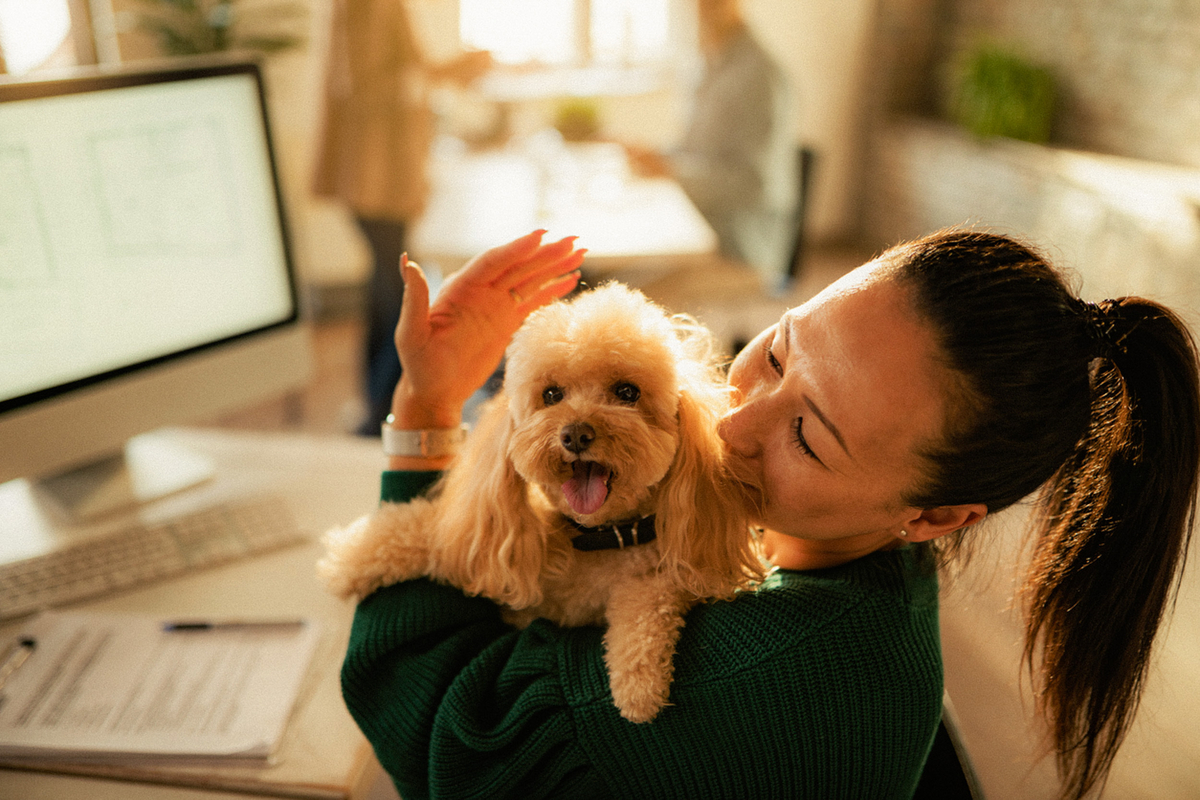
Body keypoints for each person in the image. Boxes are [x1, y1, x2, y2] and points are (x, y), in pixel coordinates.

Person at [339, 228, 1200, 799]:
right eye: (779, 348)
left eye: (810, 437)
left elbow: (444, 731)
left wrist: (425, 405)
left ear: (935, 518)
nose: (733, 420)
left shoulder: (763, 676)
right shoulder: (839, 546)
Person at [312, 0, 491, 435]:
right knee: (399, 295)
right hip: (374, 172)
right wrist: (445, 73)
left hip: (381, 173)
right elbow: (363, 83)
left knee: (387, 286)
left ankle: (375, 412)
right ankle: (380, 416)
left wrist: (441, 70)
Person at [625, 0, 796, 290]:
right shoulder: (709, 62)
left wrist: (672, 171)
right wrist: (656, 157)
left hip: (740, 248)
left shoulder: (760, 75)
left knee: (626, 301)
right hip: (696, 225)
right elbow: (695, 151)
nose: (699, 9)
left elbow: (752, 184)